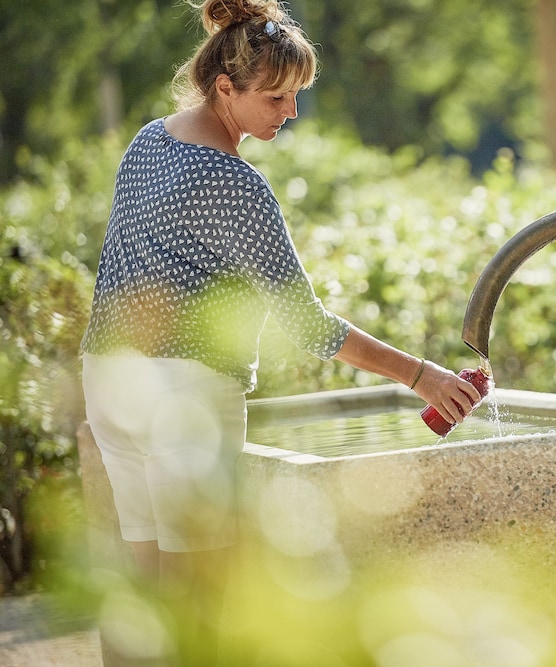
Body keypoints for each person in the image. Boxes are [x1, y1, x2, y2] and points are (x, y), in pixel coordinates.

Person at [79, 0, 482, 663]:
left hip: (111, 381)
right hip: (184, 396)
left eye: (295, 97)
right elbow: (310, 327)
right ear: (224, 88)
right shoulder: (238, 187)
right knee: (202, 600)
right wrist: (421, 375)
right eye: (274, 98)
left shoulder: (147, 140)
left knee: (144, 592)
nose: (288, 114)